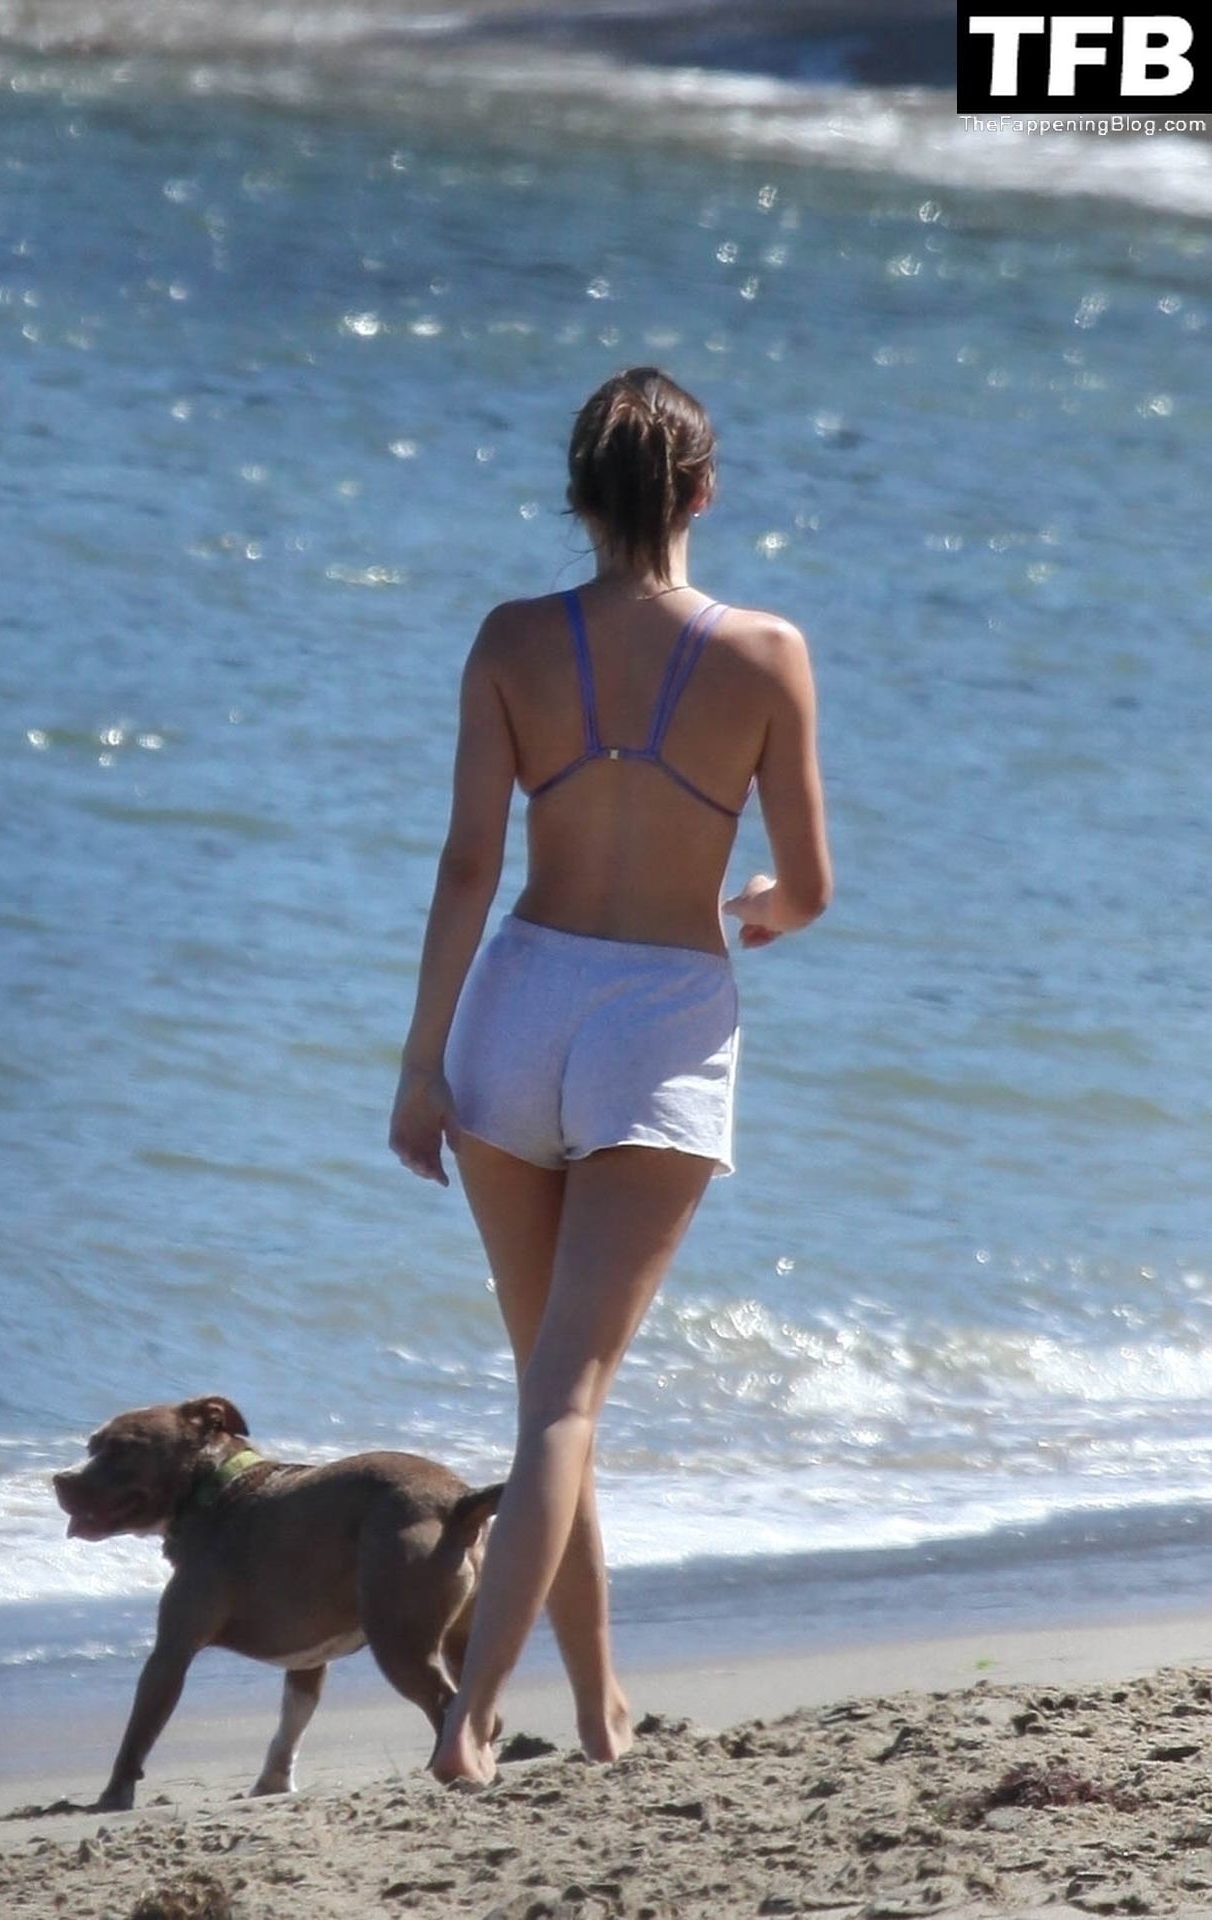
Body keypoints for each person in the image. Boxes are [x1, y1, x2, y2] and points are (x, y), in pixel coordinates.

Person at [388, 366, 832, 1786]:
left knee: (548, 1399)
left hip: (516, 1008)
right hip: (658, 1021)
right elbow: (808, 887)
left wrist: (420, 1064)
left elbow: (470, 862)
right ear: (703, 490)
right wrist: (755, 909)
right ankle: (471, 1721)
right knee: (565, 1404)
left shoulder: (511, 640)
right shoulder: (767, 652)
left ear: (577, 492)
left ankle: (598, 1711)